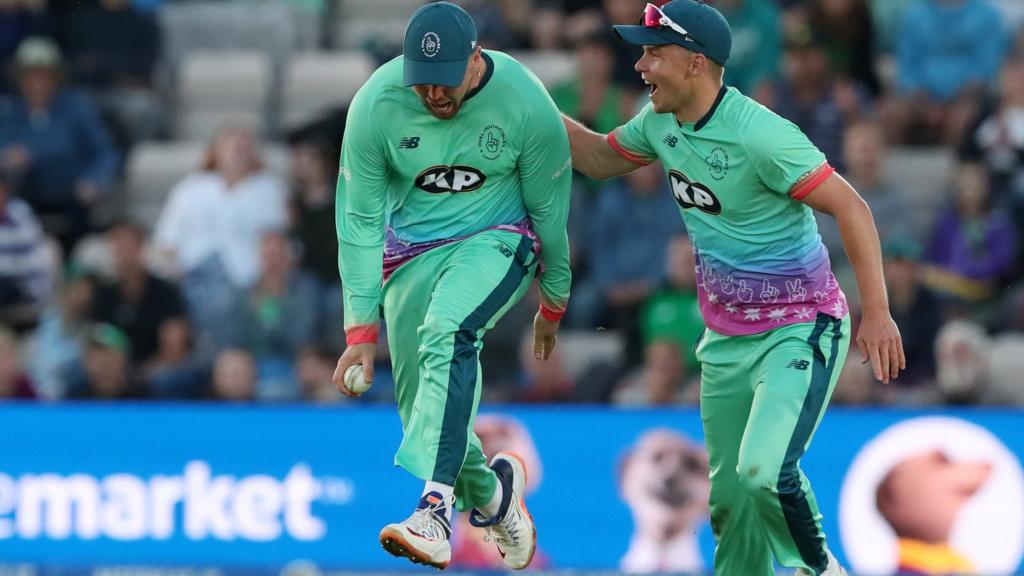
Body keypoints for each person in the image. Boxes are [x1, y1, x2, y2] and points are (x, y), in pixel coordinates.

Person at [561, 2, 904, 574]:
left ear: (695, 63)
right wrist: (527, 107)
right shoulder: (658, 123)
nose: (641, 67)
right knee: (730, 506)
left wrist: (879, 312)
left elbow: (852, 207)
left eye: (654, 53)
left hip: (800, 330)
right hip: (724, 343)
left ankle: (820, 571)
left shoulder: (761, 135)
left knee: (763, 474)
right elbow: (596, 159)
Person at [331, 3, 571, 571]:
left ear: (475, 61)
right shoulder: (375, 105)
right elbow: (360, 224)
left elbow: (551, 212)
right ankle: (493, 496)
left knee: (449, 328)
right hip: (412, 255)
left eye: (444, 83)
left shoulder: (523, 99)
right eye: (422, 84)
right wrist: (361, 329)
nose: (433, 96)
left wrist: (554, 299)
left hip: (500, 237)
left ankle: (435, 512)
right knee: (426, 408)